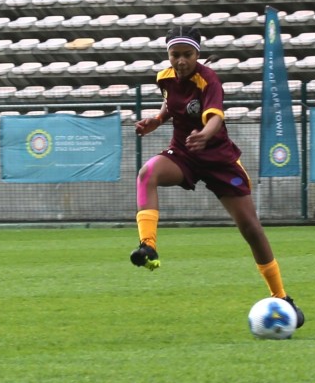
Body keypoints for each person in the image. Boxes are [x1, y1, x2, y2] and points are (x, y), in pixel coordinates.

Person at [130, 26, 304, 329]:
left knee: (251, 229)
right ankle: (148, 246)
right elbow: (171, 104)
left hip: (219, 159)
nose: (181, 61)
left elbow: (214, 117)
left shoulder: (208, 78)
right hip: (184, 154)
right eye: (175, 55)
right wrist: (156, 120)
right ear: (168, 55)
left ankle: (282, 296)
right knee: (147, 173)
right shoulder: (164, 77)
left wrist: (205, 135)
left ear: (197, 54)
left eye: (187, 55)